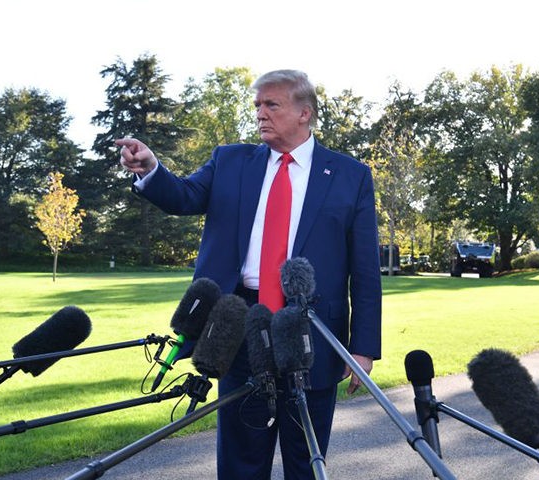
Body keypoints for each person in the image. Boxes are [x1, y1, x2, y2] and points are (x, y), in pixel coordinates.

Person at [117, 69, 382, 480]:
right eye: (257, 105)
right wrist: (150, 168)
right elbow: (184, 196)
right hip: (240, 326)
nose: (260, 113)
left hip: (310, 330)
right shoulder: (230, 161)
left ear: (303, 113)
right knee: (241, 458)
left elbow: (365, 271)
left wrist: (362, 347)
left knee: (307, 460)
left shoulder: (350, 175)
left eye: (271, 104)